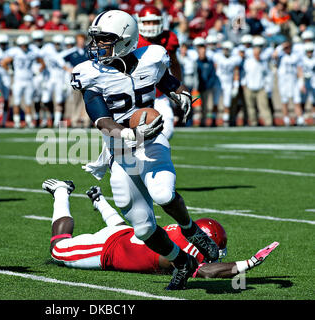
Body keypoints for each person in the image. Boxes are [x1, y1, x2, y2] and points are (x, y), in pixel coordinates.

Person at [70, 10, 218, 290]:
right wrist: (126, 132)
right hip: (120, 149)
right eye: (97, 39)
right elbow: (100, 118)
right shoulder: (91, 74)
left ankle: (190, 229)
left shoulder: (152, 57)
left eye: (105, 40)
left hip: (151, 141)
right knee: (143, 228)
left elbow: (164, 80)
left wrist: (179, 93)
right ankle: (182, 261)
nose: (98, 46)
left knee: (162, 193)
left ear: (125, 40)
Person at [43, 179, 279, 279]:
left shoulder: (182, 232)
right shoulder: (178, 255)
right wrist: (249, 263)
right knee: (58, 249)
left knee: (130, 229)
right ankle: (61, 191)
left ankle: (99, 201)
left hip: (124, 235)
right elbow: (205, 271)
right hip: (105, 250)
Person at [0, 35, 45, 128]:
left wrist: (37, 71)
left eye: (25, 45)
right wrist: (9, 71)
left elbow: (42, 63)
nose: (24, 47)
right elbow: (3, 62)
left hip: (28, 80)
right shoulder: (15, 52)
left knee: (28, 102)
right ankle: (17, 121)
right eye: (22, 45)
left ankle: (28, 121)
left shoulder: (31, 53)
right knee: (16, 101)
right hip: (18, 80)